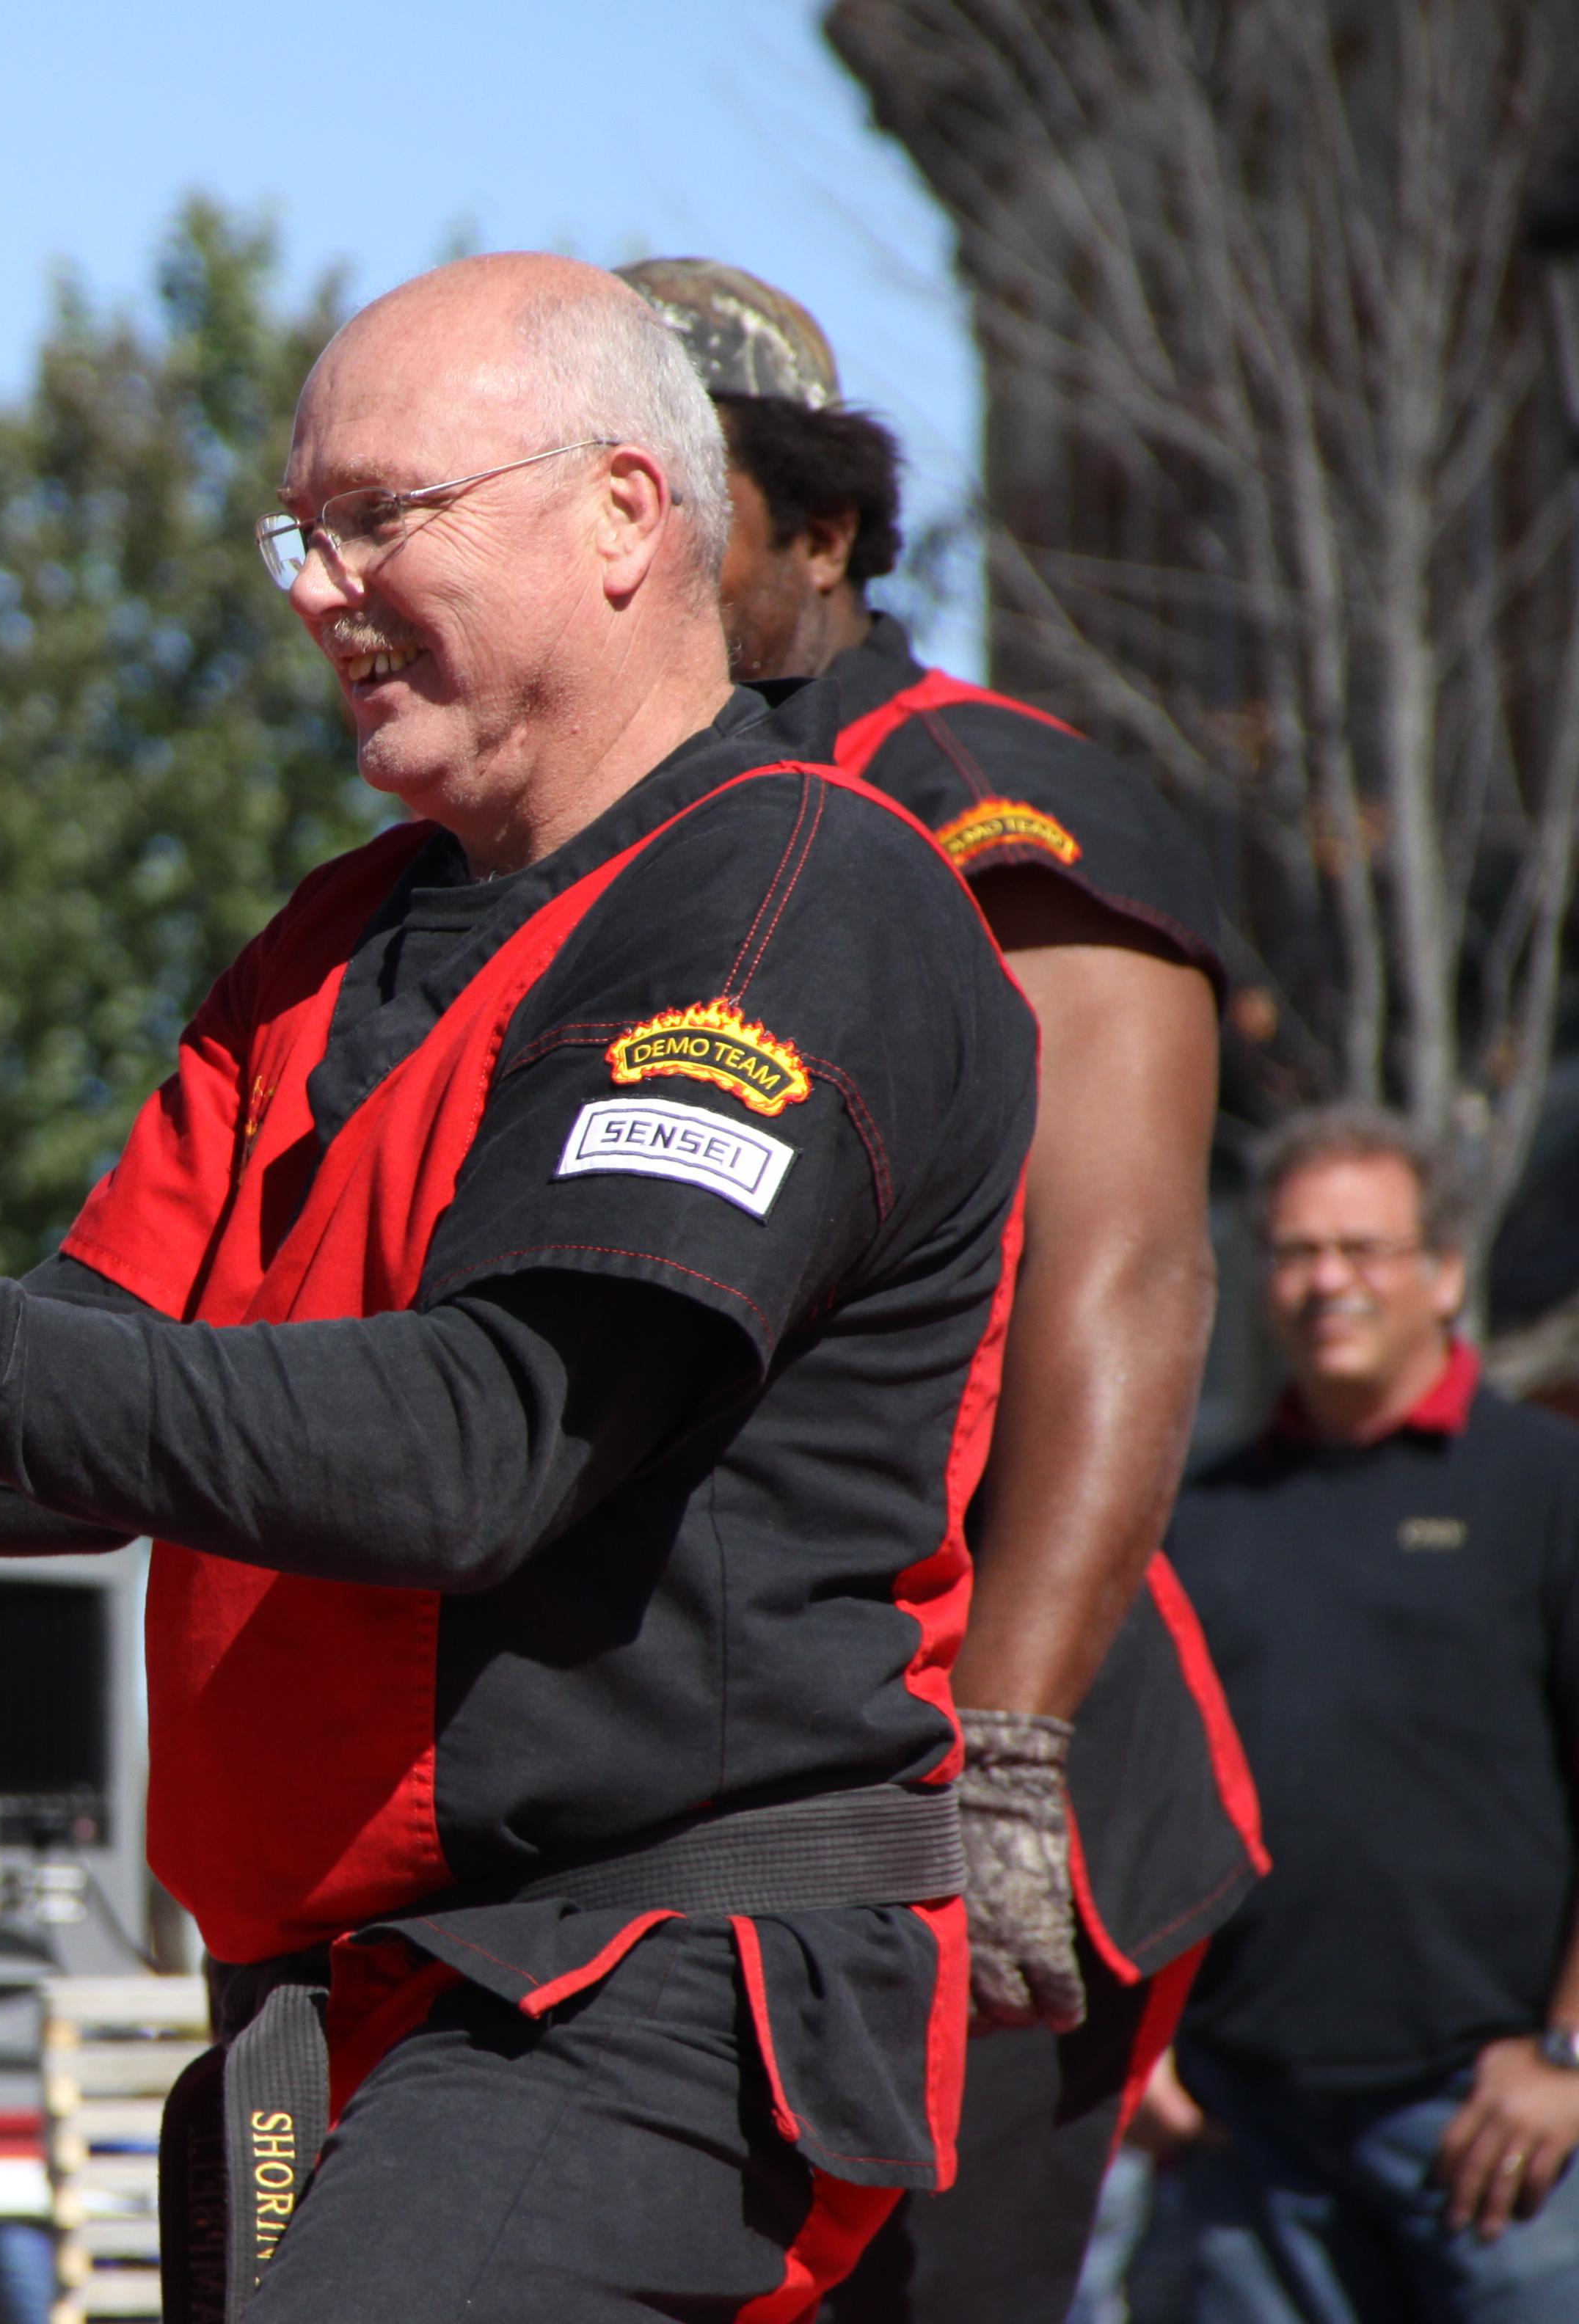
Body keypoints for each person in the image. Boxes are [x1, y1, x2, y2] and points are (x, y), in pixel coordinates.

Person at [0, 253, 1038, 2318]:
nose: (317, 587)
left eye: (382, 518)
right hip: (344, 2020)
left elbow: (478, 1453)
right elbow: (68, 1417)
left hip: (642, 1993)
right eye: (302, 528)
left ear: (626, 513)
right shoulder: (330, 944)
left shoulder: (794, 897)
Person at [610, 259, 1266, 2324]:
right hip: (699, 1786)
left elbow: (1128, 1272)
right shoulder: (580, 840)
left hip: (971, 1782)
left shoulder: (989, 799)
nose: (628, 558)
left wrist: (1006, 1754)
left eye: (680, 503)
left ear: (816, 537)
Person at [1161, 1110, 1579, 2320]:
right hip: (1245, 2124)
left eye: (1363, 1247)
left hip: (1492, 2116)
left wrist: (1564, 2053)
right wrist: (1144, 2052)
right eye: (1295, 1251)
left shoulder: (1543, 1486)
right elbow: (1136, 1791)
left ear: (1444, 1271)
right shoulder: (1201, 1513)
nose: (1325, 1281)